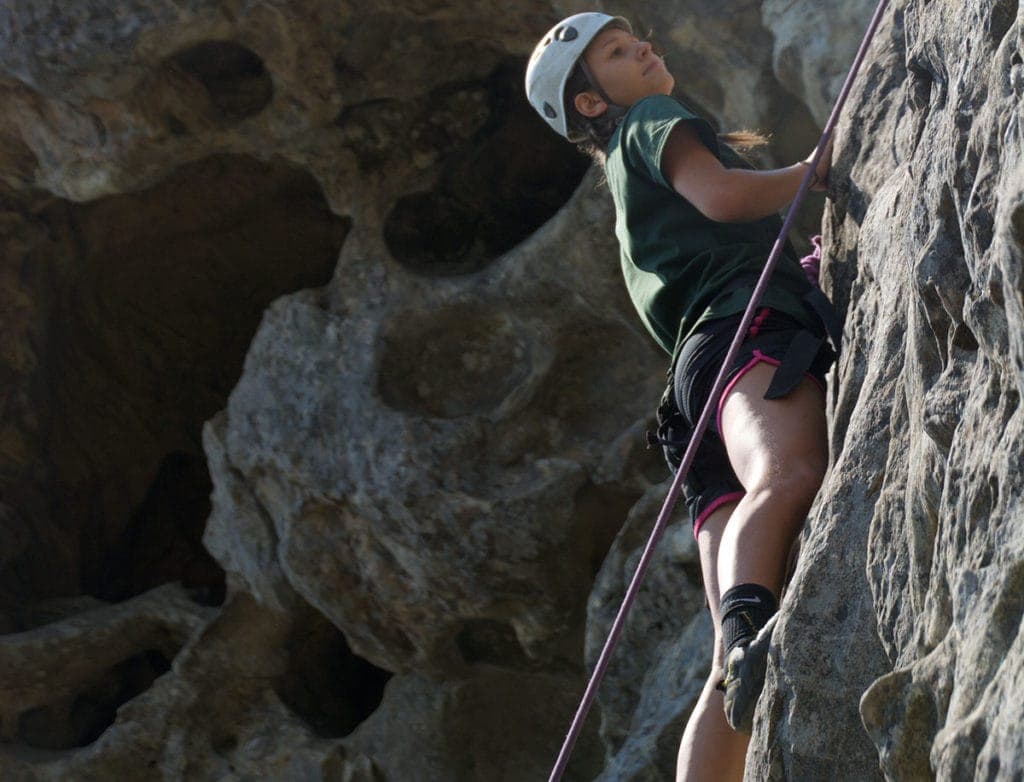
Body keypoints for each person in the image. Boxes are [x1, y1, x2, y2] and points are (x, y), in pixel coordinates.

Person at [525, 12, 839, 782]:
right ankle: (748, 621)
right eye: (618, 53)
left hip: (693, 397)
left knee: (723, 668)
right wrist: (818, 170)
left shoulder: (623, 184)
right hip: (744, 333)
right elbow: (726, 197)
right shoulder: (653, 122)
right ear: (593, 102)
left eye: (637, 38)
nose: (645, 49)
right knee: (789, 475)